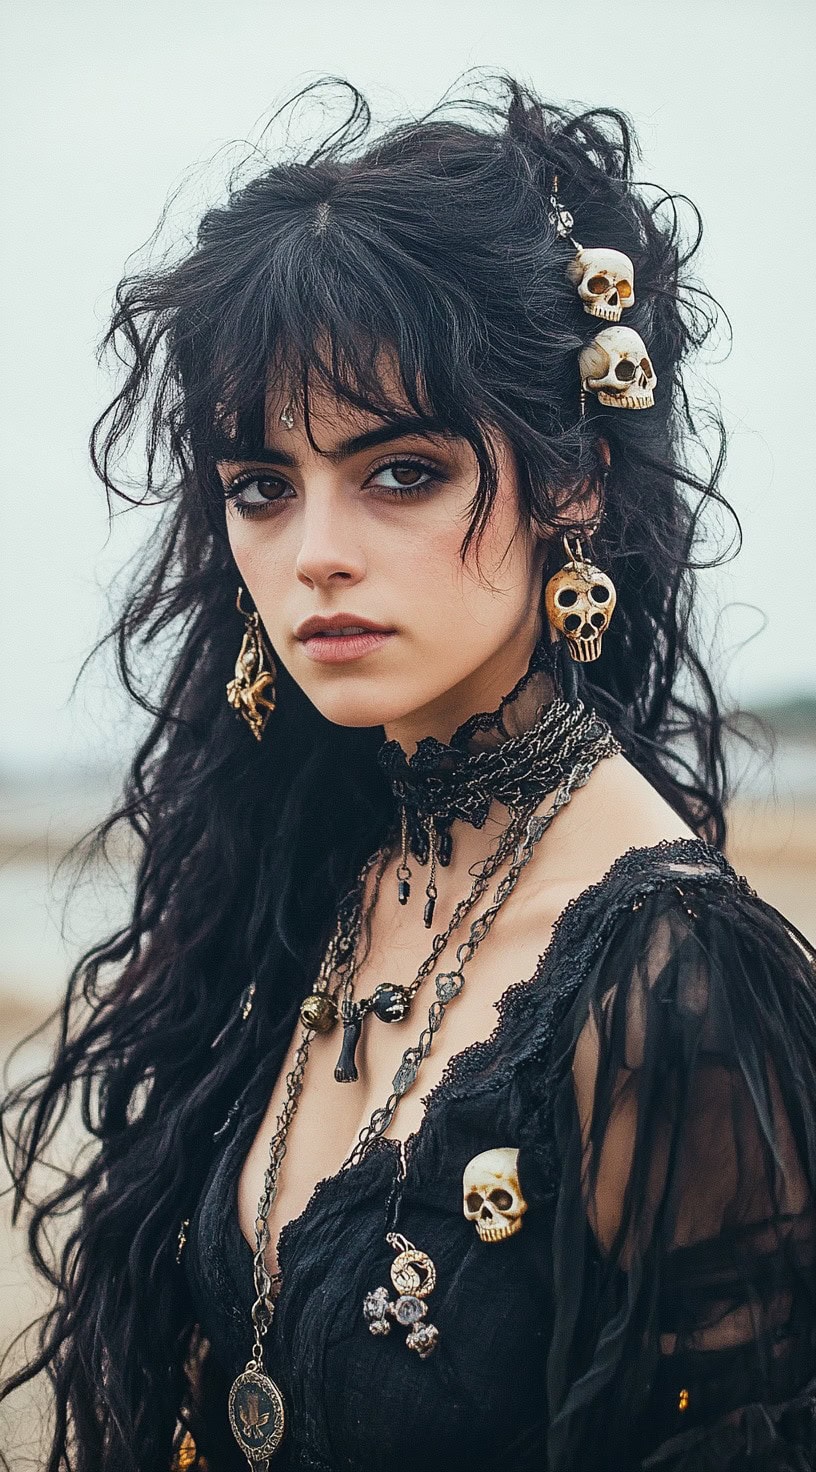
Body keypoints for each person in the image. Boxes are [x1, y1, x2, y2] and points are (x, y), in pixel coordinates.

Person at [3, 76, 816, 1472]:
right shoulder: (308, 874)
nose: (314, 550)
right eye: (264, 485)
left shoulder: (676, 983)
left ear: (576, 480)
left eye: (400, 473)